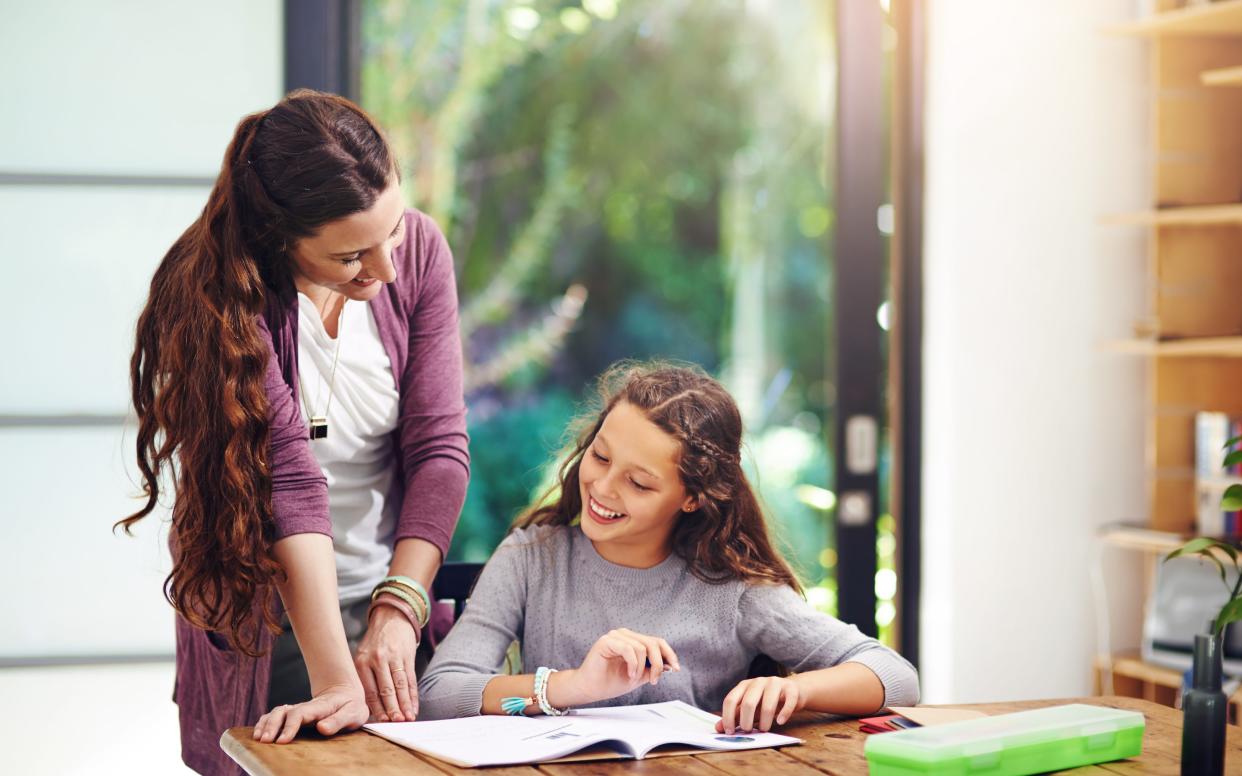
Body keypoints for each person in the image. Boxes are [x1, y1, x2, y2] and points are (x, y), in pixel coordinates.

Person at [118, 89, 470, 775]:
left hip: (388, 595)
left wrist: (399, 607)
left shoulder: (421, 251)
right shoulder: (216, 299)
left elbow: (439, 451)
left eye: (391, 232)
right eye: (351, 257)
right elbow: (289, 484)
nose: (386, 270)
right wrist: (337, 679)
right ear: (281, 240)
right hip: (265, 613)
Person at [417, 362, 917, 731]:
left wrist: (793, 689)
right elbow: (439, 695)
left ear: (693, 498)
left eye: (639, 482)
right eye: (601, 456)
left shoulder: (731, 588)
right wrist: (574, 686)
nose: (604, 488)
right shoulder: (532, 558)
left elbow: (896, 677)